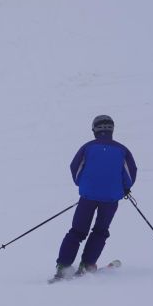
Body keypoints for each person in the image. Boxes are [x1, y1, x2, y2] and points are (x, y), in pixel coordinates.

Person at [53, 115, 138, 280]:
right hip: (111, 199)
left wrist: (83, 185)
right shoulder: (122, 150)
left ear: (94, 130)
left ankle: (63, 265)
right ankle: (88, 264)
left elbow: (75, 167)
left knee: (77, 231)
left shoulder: (88, 147)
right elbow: (130, 173)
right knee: (100, 231)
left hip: (88, 196)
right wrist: (125, 188)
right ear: (112, 130)